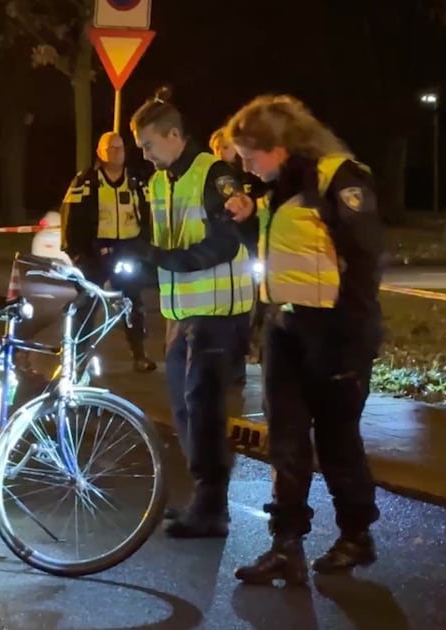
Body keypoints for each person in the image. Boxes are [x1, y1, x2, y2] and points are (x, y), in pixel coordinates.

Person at [221, 95, 385, 586]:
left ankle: (356, 536)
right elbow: (285, 256)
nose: (247, 166)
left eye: (250, 156)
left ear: (278, 145)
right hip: (285, 332)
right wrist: (251, 219)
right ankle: (284, 546)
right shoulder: (281, 189)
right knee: (286, 444)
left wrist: (351, 345)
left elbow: (363, 262)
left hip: (333, 334)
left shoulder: (341, 178)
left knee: (338, 442)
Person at [124, 88, 256, 538]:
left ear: (174, 134)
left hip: (220, 311)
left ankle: (212, 507)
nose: (143, 155)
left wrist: (164, 260)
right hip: (182, 314)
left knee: (202, 407)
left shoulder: (214, 175)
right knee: (183, 408)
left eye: (147, 146)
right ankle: (204, 497)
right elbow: (157, 240)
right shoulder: (160, 182)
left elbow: (227, 243)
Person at [60, 131, 157, 373]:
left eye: (120, 147)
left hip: (128, 248)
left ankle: (139, 354)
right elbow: (69, 217)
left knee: (133, 302)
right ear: (100, 152)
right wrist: (77, 255)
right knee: (87, 304)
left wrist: (145, 248)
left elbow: (148, 214)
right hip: (94, 251)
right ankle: (77, 358)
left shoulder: (136, 180)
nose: (117, 152)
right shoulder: (86, 181)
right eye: (111, 148)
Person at [209, 126, 272, 388]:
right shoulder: (214, 178)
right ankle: (232, 365)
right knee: (231, 313)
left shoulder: (250, 177)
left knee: (254, 308)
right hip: (227, 254)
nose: (222, 153)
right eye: (217, 149)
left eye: (226, 147)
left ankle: (246, 357)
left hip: (252, 249)